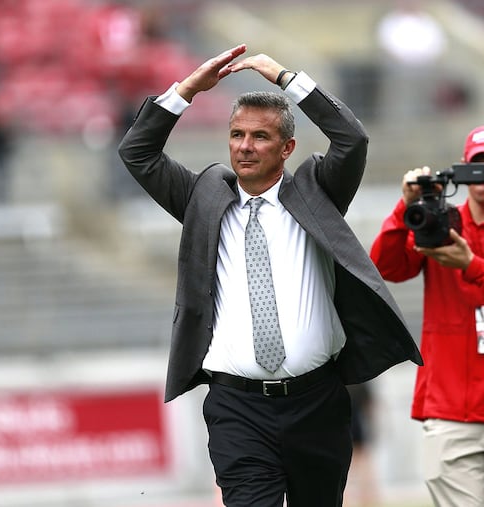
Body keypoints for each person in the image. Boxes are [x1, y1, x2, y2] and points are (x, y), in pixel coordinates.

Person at [118, 44, 422, 507]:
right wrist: (187, 90)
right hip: (237, 406)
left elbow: (352, 140)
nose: (245, 146)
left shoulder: (316, 193)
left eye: (260, 136)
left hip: (317, 401)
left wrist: (285, 78)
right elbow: (138, 152)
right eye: (237, 134)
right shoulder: (203, 198)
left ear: (287, 148)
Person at [370, 124, 484, 507]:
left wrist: (471, 265)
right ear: (461, 169)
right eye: (476, 167)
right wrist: (404, 206)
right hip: (449, 409)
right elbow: (384, 267)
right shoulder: (438, 222)